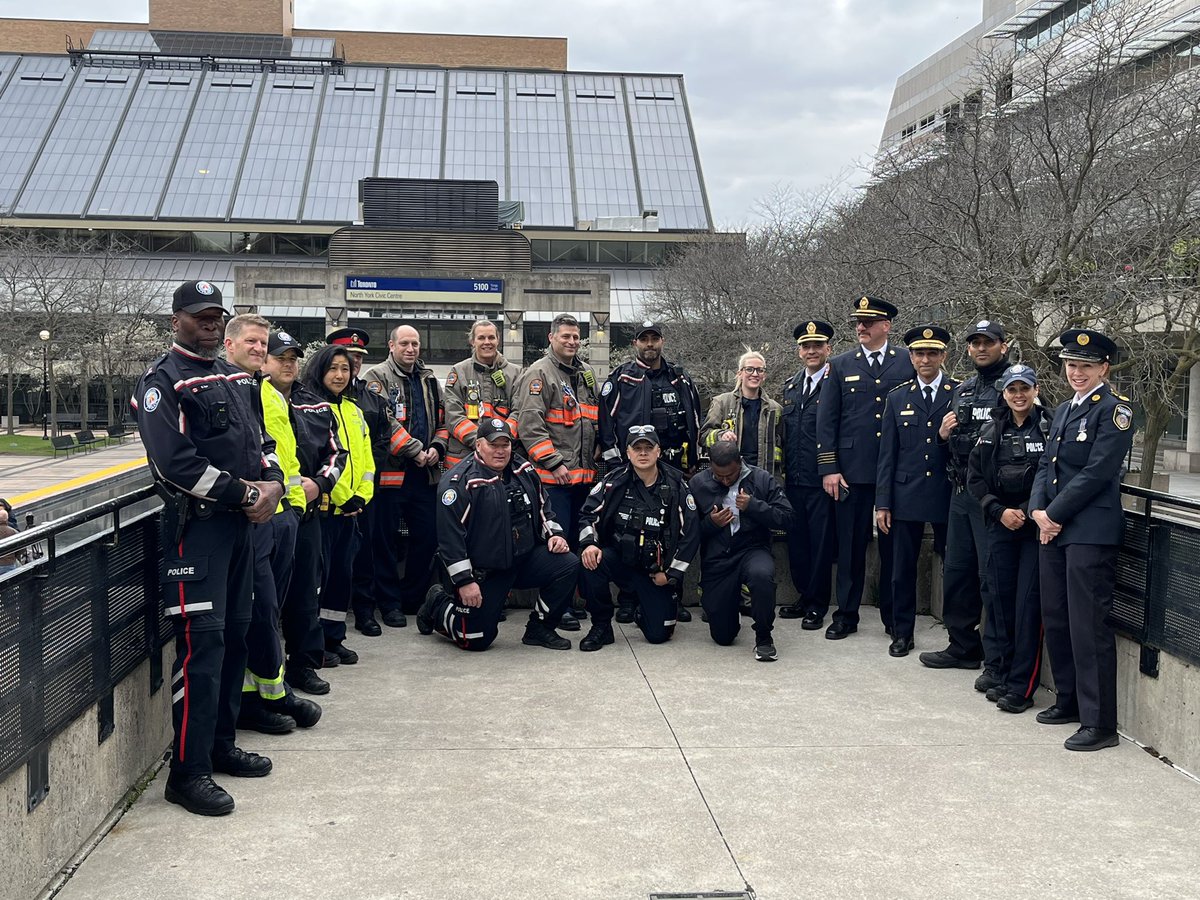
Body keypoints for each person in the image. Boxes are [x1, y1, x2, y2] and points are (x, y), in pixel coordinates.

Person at [133, 280, 284, 816]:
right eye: (200, 316)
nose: (211, 324)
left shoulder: (235, 377)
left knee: (237, 638)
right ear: (175, 321)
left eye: (217, 316)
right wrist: (247, 493)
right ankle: (187, 771)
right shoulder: (161, 382)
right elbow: (175, 464)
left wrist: (274, 483)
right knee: (203, 650)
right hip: (196, 534)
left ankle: (221, 745)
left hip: (241, 530)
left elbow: (262, 442)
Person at [1030, 329, 1134, 752]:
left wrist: (1052, 515)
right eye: (1071, 365)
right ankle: (1069, 700)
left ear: (1103, 368)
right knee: (1057, 616)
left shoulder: (1115, 410)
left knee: (1088, 625)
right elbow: (1046, 464)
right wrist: (1038, 510)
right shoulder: (1063, 410)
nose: (1076, 372)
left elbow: (1097, 472)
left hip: (1089, 530)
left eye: (1085, 366)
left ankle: (1099, 722)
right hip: (1053, 527)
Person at [223, 317, 315, 734]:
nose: (259, 349)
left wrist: (289, 501)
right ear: (230, 344)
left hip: (281, 514)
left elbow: (274, 451)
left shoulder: (263, 392)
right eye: (253, 342)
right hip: (251, 517)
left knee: (268, 610)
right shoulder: (230, 387)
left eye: (264, 343)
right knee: (256, 610)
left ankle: (267, 693)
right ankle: (261, 699)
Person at [417, 417, 580, 651]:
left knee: (567, 564)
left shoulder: (524, 469)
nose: (500, 451)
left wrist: (555, 535)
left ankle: (540, 629)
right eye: (493, 445)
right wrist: (464, 581)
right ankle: (437, 604)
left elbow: (544, 507)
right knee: (475, 639)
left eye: (505, 444)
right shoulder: (459, 482)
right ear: (478, 445)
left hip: (523, 560)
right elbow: (450, 539)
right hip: (486, 572)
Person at [816, 295, 915, 640]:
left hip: (894, 472)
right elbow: (826, 419)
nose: (861, 327)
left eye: (869, 322)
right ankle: (846, 615)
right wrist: (829, 468)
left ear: (886, 326)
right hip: (851, 472)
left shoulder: (907, 361)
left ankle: (893, 616)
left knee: (893, 549)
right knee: (850, 547)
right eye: (859, 322)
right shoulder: (840, 364)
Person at [919, 320, 1011, 685]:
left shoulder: (1016, 386)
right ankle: (962, 647)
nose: (981, 348)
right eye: (975, 343)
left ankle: (999, 663)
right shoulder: (963, 389)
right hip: (960, 493)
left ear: (1003, 346)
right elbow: (950, 444)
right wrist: (941, 436)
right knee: (957, 573)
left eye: (988, 342)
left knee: (992, 579)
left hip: (993, 498)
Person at [598, 319, 702, 624]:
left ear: (662, 341)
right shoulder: (622, 377)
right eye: (644, 339)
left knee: (671, 530)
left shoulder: (679, 377)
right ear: (635, 344)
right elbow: (606, 423)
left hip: (672, 467)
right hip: (634, 467)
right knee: (630, 529)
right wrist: (616, 464)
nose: (650, 344)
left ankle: (672, 593)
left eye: (654, 338)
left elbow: (694, 417)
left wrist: (693, 459)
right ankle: (629, 598)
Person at [265, 331, 347, 701]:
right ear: (265, 362)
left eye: (293, 359)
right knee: (268, 598)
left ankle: (303, 664)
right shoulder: (252, 397)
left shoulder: (313, 403)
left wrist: (321, 483)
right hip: (268, 516)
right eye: (280, 358)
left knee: (306, 591)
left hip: (308, 514)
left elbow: (337, 453)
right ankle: (270, 671)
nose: (288, 365)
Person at [968, 364, 1051, 714]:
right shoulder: (991, 429)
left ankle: (1021, 687)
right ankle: (1000, 671)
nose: (1019, 395)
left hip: (1034, 530)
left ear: (1035, 390)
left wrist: (1026, 511)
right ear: (1004, 393)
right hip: (1000, 525)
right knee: (999, 601)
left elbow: (1052, 477)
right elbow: (974, 478)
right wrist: (998, 510)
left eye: (1024, 389)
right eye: (1012, 390)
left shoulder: (1049, 427)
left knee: (1027, 607)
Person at [513, 312, 602, 630]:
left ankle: (571, 602)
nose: (572, 341)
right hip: (553, 480)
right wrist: (553, 462)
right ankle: (557, 608)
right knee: (557, 543)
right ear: (551, 338)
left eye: (576, 337)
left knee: (578, 542)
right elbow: (529, 425)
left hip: (583, 479)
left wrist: (598, 444)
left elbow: (593, 417)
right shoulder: (539, 373)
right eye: (565, 336)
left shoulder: (586, 373)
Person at [576, 425, 700, 651]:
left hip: (655, 571)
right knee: (591, 562)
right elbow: (588, 514)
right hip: (621, 561)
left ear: (658, 451)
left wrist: (670, 574)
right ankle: (601, 626)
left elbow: (690, 535)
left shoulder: (676, 485)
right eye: (637, 448)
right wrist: (590, 544)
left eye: (648, 448)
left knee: (658, 635)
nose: (643, 453)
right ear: (628, 452)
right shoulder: (613, 481)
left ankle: (646, 609)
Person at [875, 325, 957, 658]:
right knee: (901, 569)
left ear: (943, 356)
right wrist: (882, 503)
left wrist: (943, 438)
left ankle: (959, 636)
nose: (925, 359)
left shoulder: (958, 393)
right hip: (905, 494)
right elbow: (887, 456)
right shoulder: (897, 397)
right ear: (910, 357)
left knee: (955, 567)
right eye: (919, 353)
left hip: (946, 492)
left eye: (932, 353)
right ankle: (902, 632)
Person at [363, 325, 447, 625]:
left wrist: (437, 446)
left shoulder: (430, 380)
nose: (410, 349)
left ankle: (413, 599)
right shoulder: (376, 377)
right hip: (391, 473)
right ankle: (390, 604)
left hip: (425, 474)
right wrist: (415, 450)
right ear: (391, 345)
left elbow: (443, 419)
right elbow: (384, 422)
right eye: (404, 344)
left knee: (427, 537)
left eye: (415, 344)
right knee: (385, 541)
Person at [689, 440, 793, 661]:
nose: (725, 480)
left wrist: (754, 506)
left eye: (730, 475)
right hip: (719, 558)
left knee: (761, 575)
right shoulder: (698, 483)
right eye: (719, 476)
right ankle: (728, 605)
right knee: (723, 636)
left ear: (740, 463)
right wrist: (711, 524)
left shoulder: (761, 479)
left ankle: (764, 638)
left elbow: (787, 518)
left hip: (752, 549)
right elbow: (688, 531)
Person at [304, 345, 375, 666]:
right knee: (316, 583)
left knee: (340, 581)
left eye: (345, 369)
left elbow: (367, 461)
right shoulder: (309, 407)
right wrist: (340, 496)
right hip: (323, 511)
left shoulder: (354, 410)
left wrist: (361, 496)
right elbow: (314, 461)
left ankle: (334, 638)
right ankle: (313, 644)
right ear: (320, 370)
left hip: (351, 511)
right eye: (333, 368)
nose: (339, 375)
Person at [325, 327, 391, 639]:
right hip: (329, 496)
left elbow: (380, 442)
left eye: (357, 358)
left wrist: (363, 490)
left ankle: (364, 612)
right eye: (346, 357)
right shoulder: (313, 397)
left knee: (366, 554)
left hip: (364, 494)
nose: (353, 363)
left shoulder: (371, 398)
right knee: (328, 564)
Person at [779, 320, 837, 629]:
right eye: (805, 346)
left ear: (828, 349)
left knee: (820, 545)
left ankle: (817, 604)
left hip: (821, 480)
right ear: (799, 351)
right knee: (797, 543)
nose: (811, 351)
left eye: (817, 345)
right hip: (794, 479)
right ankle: (804, 595)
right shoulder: (790, 386)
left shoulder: (836, 383)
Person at [443, 319, 522, 467]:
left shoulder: (516, 373)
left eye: (491, 337)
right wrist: (481, 443)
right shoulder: (459, 372)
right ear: (472, 341)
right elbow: (453, 415)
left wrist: (499, 443)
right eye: (481, 338)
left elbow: (519, 413)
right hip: (464, 458)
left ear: (498, 340)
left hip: (503, 458)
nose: (487, 342)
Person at [701, 350, 784, 479]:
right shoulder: (722, 403)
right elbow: (704, 436)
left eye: (760, 370)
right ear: (739, 373)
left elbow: (784, 446)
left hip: (764, 477)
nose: (755, 374)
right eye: (749, 369)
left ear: (764, 375)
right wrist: (720, 435)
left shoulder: (775, 408)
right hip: (730, 476)